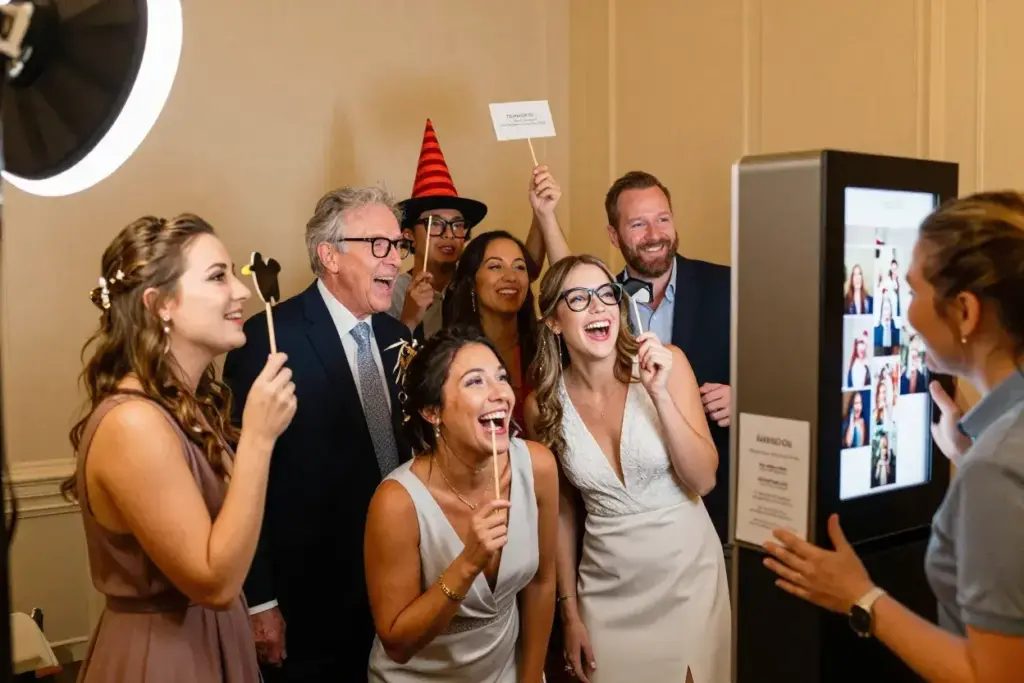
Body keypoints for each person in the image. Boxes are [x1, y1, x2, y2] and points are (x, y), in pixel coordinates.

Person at [763, 191, 1024, 682]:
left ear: (965, 312)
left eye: (914, 292)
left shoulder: (997, 467)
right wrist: (968, 455)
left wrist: (860, 597)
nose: (906, 314)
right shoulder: (994, 455)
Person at [64, 215, 297, 682]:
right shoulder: (134, 422)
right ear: (161, 303)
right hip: (165, 657)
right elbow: (213, 580)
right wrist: (257, 438)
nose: (242, 291)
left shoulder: (188, 410)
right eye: (218, 276)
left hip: (213, 641)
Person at [222, 187, 413, 681]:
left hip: (400, 586)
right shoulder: (266, 342)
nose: (396, 260)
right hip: (311, 602)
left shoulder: (400, 339)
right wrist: (260, 600)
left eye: (399, 245)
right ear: (329, 255)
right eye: (380, 245)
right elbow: (242, 479)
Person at [526, 254, 731, 683]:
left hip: (688, 578)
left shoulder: (667, 366)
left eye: (606, 294)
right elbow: (562, 511)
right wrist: (570, 612)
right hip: (606, 587)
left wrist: (659, 395)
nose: (599, 307)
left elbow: (704, 480)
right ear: (554, 322)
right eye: (579, 299)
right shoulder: (543, 405)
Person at [364, 327, 558, 681]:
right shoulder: (397, 502)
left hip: (507, 671)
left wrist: (530, 677)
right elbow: (397, 643)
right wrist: (468, 563)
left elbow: (542, 583)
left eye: (501, 377)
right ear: (432, 411)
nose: (499, 393)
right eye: (475, 382)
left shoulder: (539, 466)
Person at [604, 170, 732, 542]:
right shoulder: (601, 307)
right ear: (614, 235)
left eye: (663, 219)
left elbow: (786, 372)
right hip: (634, 518)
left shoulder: (728, 287)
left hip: (716, 507)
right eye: (638, 224)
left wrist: (745, 398)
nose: (655, 234)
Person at [392, 118, 566, 342]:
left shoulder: (473, 280)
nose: (449, 234)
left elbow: (526, 269)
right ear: (409, 236)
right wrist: (410, 318)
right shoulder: (392, 292)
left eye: (457, 224)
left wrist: (541, 213)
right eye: (435, 223)